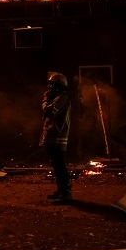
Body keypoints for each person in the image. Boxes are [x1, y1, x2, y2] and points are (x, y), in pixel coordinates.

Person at [40, 71, 73, 204]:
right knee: (56, 165)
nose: (49, 87)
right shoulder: (57, 96)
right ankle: (60, 191)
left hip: (58, 136)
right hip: (53, 135)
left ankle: (66, 194)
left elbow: (49, 111)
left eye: (52, 85)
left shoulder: (62, 97)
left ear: (59, 86)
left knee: (60, 166)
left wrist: (45, 101)